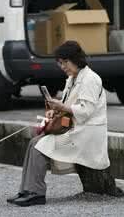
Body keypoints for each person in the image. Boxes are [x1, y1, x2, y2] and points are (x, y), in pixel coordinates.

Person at [7, 41, 110, 207]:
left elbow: (85, 111)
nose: (63, 67)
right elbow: (68, 105)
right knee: (34, 142)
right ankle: (26, 190)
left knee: (40, 145)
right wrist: (55, 109)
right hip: (77, 129)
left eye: (65, 62)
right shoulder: (73, 78)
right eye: (60, 63)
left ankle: (36, 193)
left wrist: (61, 106)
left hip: (86, 134)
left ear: (75, 59)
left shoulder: (91, 79)